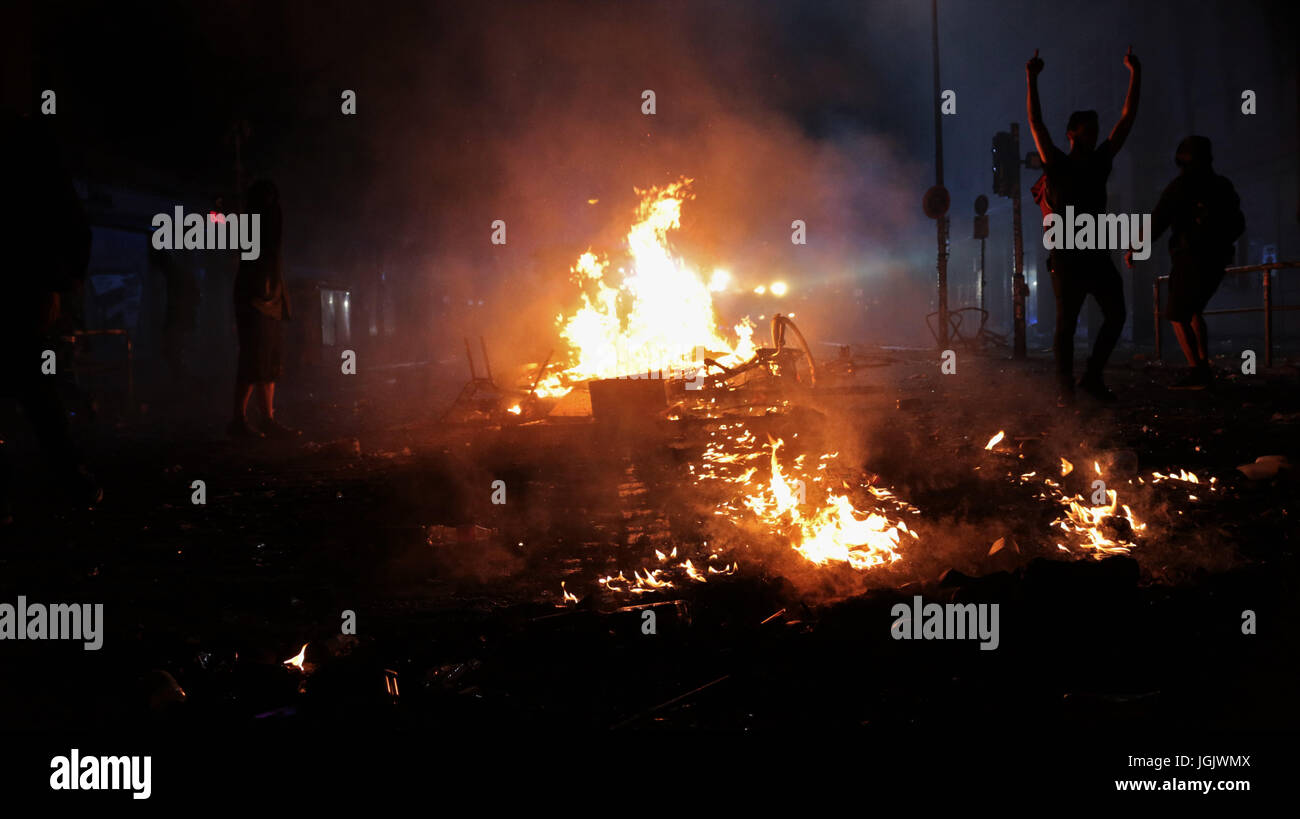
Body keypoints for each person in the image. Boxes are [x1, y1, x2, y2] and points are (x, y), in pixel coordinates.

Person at [0, 111, 102, 525]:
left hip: (25, 287)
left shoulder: (33, 160)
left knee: (35, 385)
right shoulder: (36, 158)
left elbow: (69, 223)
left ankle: (66, 474)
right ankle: (68, 475)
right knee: (36, 386)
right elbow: (73, 224)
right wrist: (61, 283)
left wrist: (56, 284)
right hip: (27, 288)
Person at [1026, 47, 1141, 405]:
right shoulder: (1057, 163)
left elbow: (1126, 120)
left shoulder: (1101, 161)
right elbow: (1037, 124)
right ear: (1072, 133)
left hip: (1094, 252)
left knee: (1117, 314)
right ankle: (1065, 389)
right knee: (1066, 324)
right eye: (1087, 130)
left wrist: (1135, 73)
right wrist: (1031, 77)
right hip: (1067, 256)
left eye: (1095, 130)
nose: (1093, 135)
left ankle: (1090, 377)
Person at [1128, 136, 1244, 389]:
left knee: (1177, 315)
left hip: (1190, 257)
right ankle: (1203, 365)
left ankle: (1198, 370)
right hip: (1217, 258)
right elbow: (1238, 224)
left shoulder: (1181, 187)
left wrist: (1135, 248)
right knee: (1193, 311)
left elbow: (1157, 221)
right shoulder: (1223, 185)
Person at [229, 179, 300, 439]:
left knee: (269, 363)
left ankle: (267, 418)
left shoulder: (271, 227)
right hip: (255, 300)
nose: (272, 205)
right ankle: (238, 419)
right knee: (252, 361)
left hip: (272, 298)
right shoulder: (250, 229)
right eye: (267, 199)